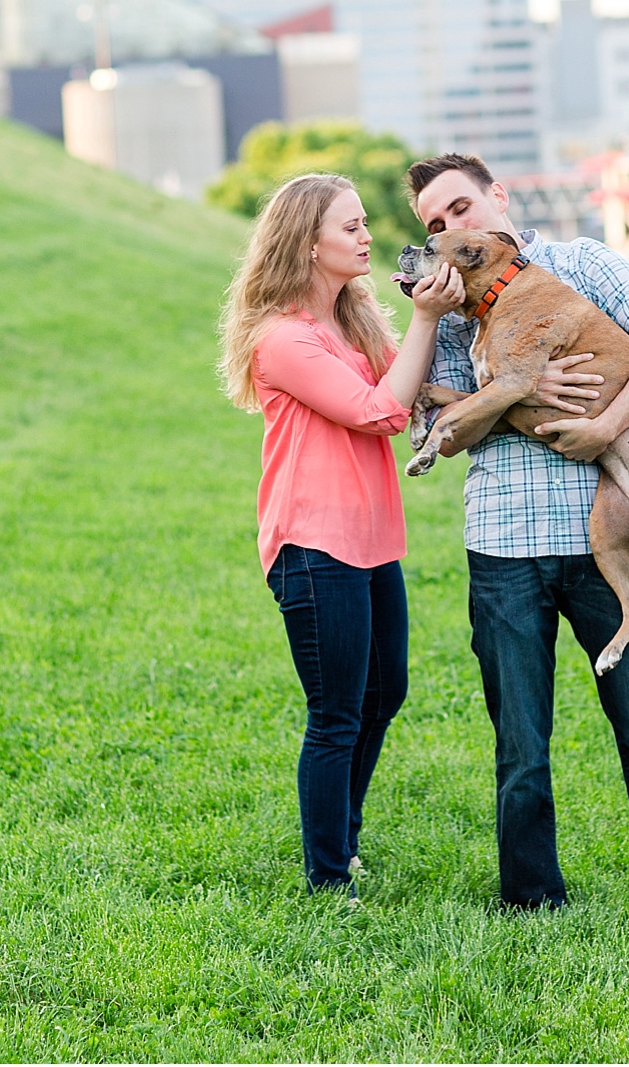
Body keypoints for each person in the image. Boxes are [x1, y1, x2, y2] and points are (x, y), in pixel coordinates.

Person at [404, 152, 629, 917]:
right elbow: (443, 435)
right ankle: (531, 903)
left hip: (604, 527)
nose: (451, 229)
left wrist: (609, 422)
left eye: (459, 209)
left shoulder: (580, 263)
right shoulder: (448, 310)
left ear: (498, 198)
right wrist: (517, 383)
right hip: (503, 543)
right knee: (520, 748)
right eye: (435, 224)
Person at [219, 173, 464, 894]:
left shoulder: (352, 320)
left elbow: (411, 389)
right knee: (334, 714)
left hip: (370, 538)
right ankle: (328, 876)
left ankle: (343, 839)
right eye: (350, 227)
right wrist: (422, 321)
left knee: (384, 694)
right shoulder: (283, 340)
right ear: (307, 241)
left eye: (363, 224)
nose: (366, 236)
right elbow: (379, 413)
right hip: (313, 542)